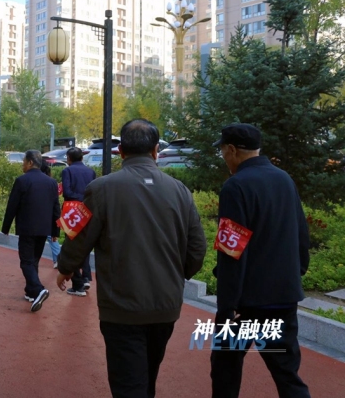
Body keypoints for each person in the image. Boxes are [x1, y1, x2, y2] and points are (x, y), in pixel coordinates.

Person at [56, 119, 206, 397]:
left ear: (120, 151)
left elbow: (80, 237)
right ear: (156, 150)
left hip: (121, 305)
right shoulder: (180, 191)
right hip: (166, 304)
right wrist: (175, 275)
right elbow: (197, 249)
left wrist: (65, 267)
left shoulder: (102, 189)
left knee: (128, 382)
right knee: (148, 374)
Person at [210, 123, 311, 398]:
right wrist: (296, 273)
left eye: (222, 151)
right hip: (284, 298)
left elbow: (232, 252)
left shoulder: (236, 186)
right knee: (287, 374)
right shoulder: (284, 179)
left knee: (225, 370)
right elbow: (302, 233)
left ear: (232, 150)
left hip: (248, 303)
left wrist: (226, 307)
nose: (223, 157)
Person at [2, 150, 61, 313]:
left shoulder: (22, 181)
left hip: (27, 228)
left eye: (23, 162)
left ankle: (38, 289)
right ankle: (30, 291)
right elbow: (56, 208)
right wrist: (56, 230)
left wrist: (6, 226)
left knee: (26, 261)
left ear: (29, 163)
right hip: (44, 229)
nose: (22, 165)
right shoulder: (51, 183)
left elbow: (12, 205)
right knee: (34, 260)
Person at [61, 146, 96, 296]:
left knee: (72, 243)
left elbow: (67, 192)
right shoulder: (91, 172)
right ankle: (86, 276)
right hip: (88, 211)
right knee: (85, 243)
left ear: (69, 158)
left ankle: (78, 284)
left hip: (72, 211)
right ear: (82, 157)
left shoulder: (67, 171)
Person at [39, 160, 61, 269]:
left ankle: (58, 259)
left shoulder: (36, 180)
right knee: (52, 238)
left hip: (39, 215)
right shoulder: (52, 182)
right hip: (50, 214)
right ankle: (58, 259)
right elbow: (55, 203)